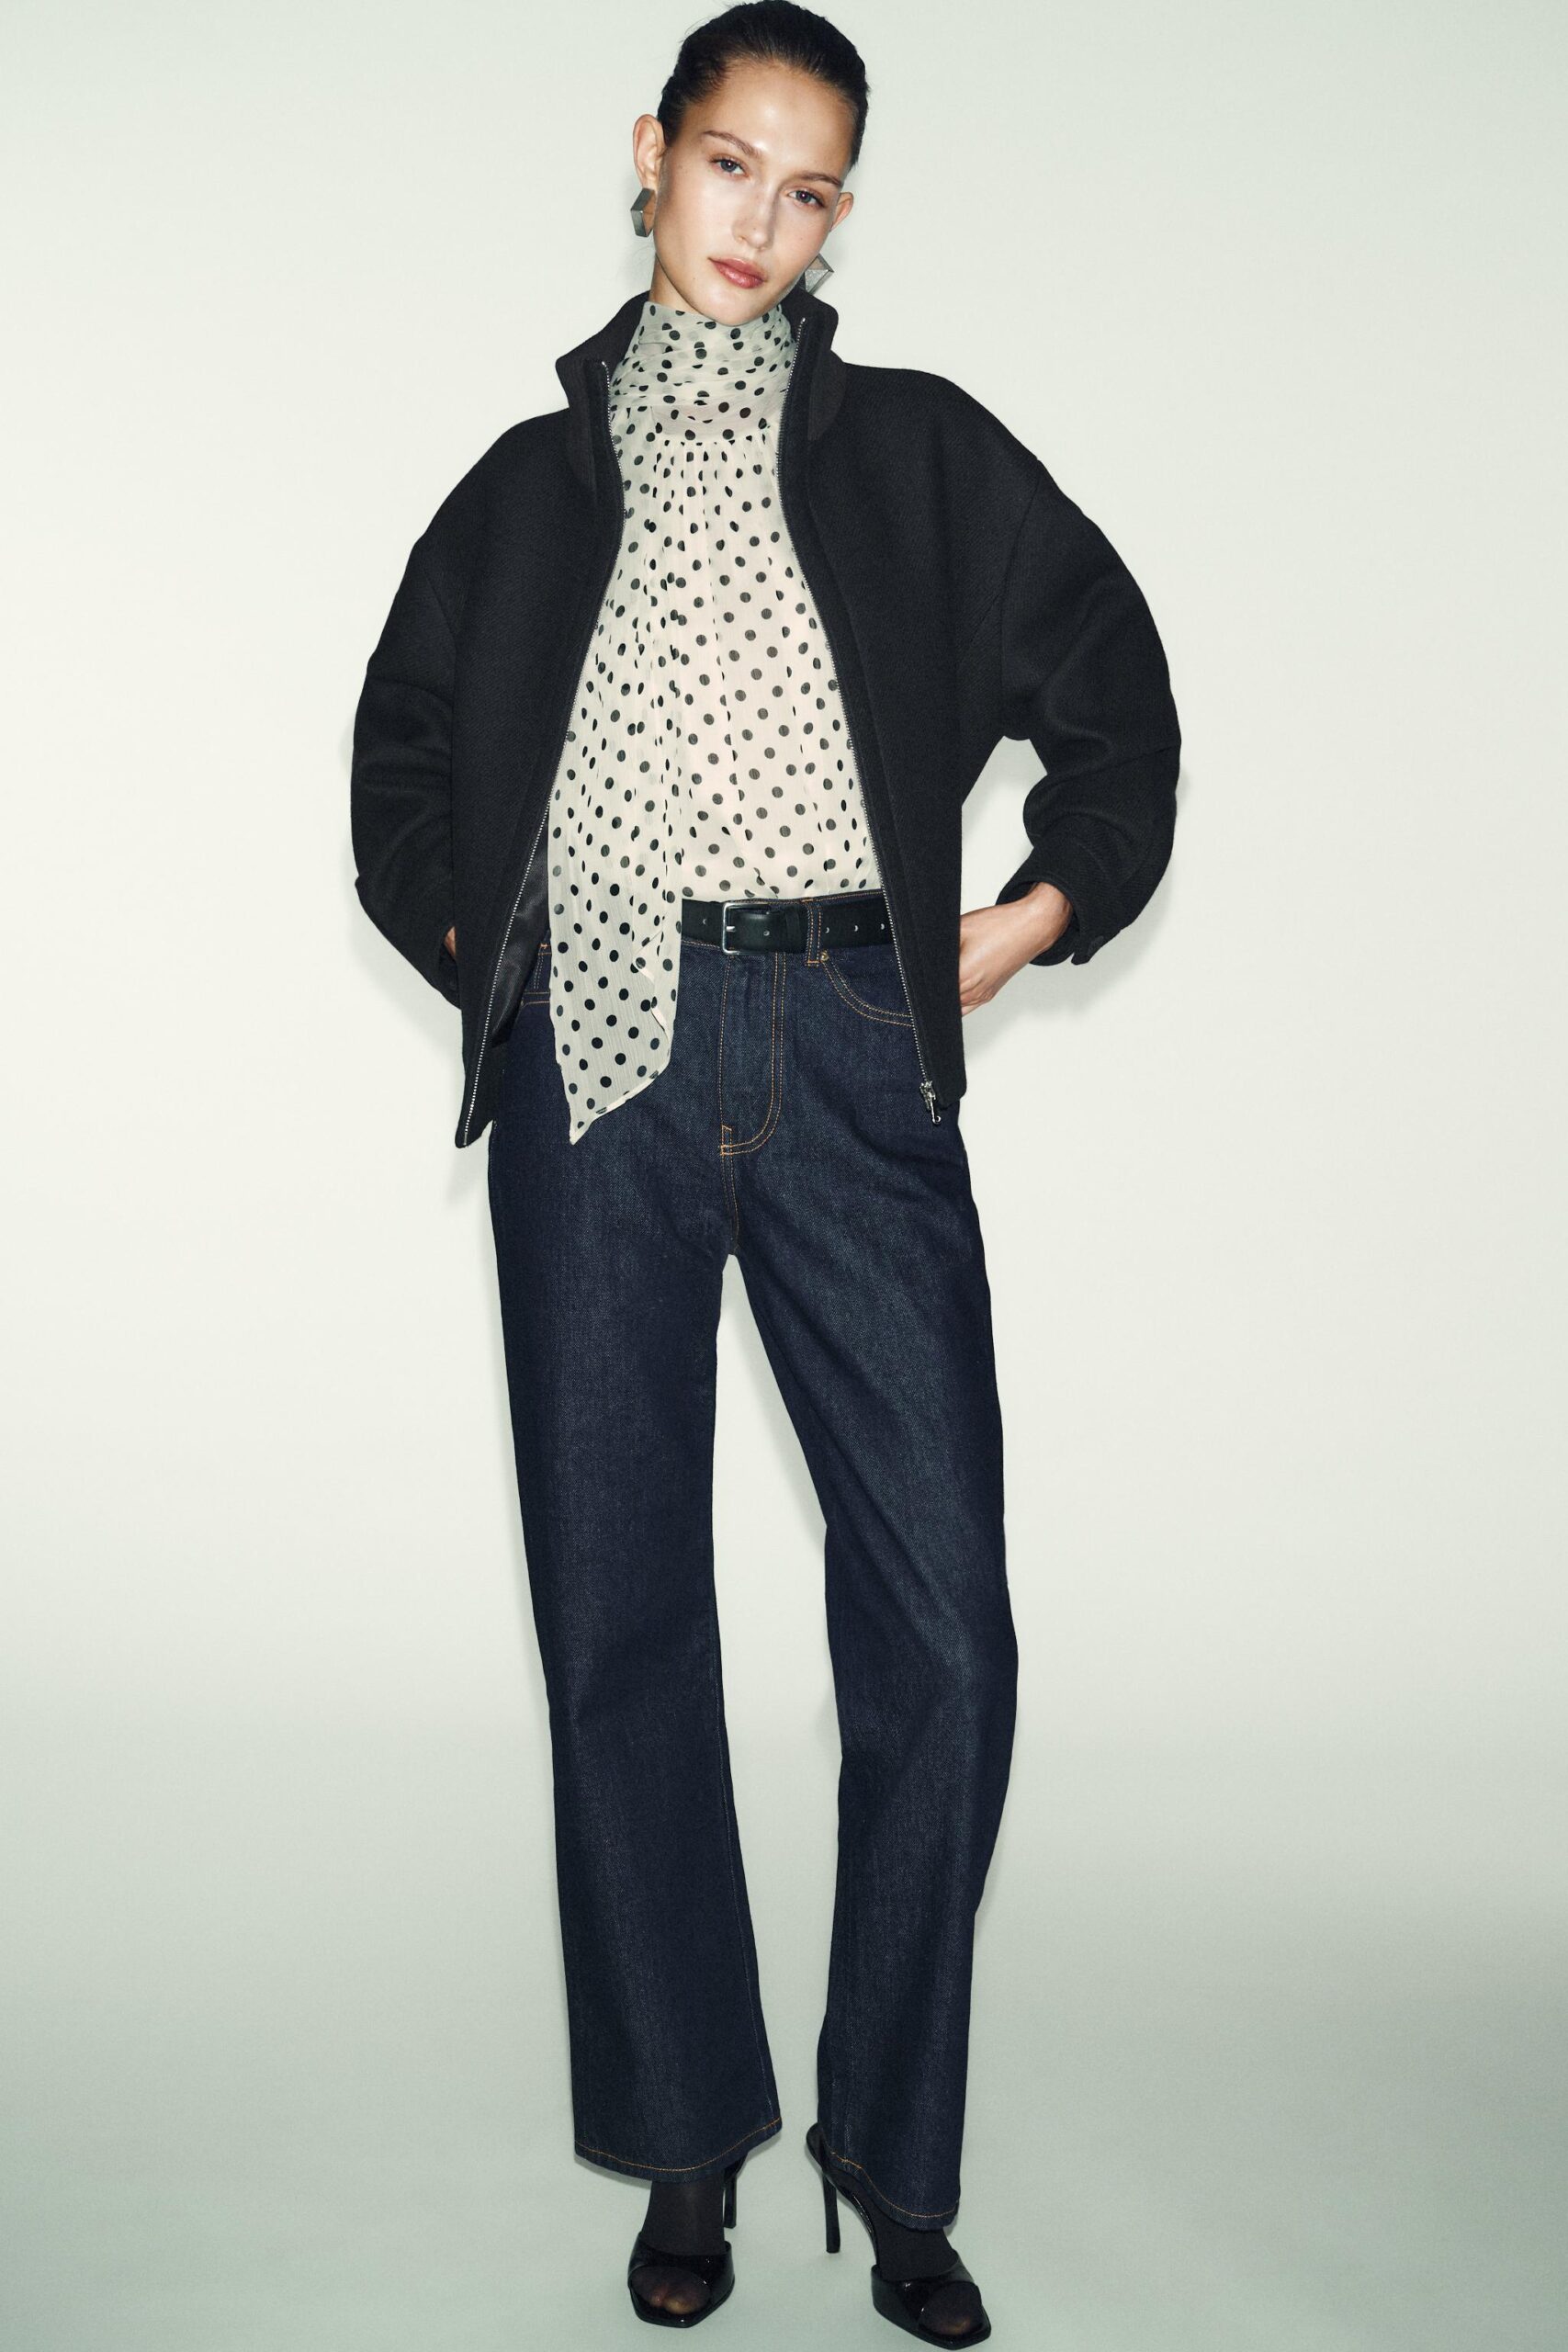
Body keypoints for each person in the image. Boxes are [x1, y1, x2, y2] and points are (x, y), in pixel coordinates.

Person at [350, 4, 1180, 2336]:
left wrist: (1030, 910)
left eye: (808, 189)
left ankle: (890, 2148)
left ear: (840, 214)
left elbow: (1110, 679)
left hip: (845, 1043)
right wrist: (491, 959)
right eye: (730, 164)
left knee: (941, 1624)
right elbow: (398, 761)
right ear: (650, 153)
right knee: (619, 1618)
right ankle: (686, 2137)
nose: (760, 221)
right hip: (599, 1067)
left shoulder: (914, 453)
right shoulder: (521, 490)